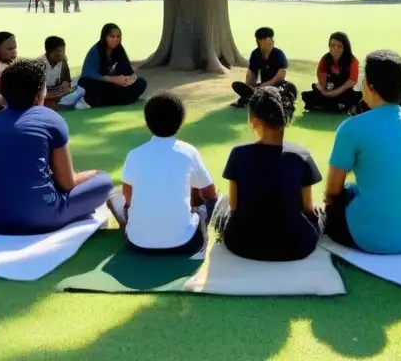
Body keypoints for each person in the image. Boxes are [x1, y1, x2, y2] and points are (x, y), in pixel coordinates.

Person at [0, 58, 114, 235]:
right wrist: (94, 174)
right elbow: (67, 182)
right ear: (39, 93)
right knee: (104, 181)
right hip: (40, 217)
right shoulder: (51, 118)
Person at [324, 50, 401, 254]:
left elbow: (332, 191)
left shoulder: (351, 128)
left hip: (369, 238)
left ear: (371, 86)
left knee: (336, 204)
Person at [211, 86, 322, 261]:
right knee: (319, 213)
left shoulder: (238, 154)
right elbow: (308, 208)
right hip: (296, 246)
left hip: (242, 244)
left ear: (254, 120)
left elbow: (234, 206)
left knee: (223, 203)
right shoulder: (301, 155)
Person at [108, 93, 218, 255]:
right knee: (212, 201)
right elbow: (210, 193)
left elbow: (128, 198)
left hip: (137, 245)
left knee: (115, 200)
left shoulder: (135, 154)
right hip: (184, 244)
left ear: (147, 122)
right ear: (181, 122)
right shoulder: (188, 152)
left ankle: (129, 226)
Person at [78, 23, 148, 107]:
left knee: (141, 82)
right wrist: (113, 79)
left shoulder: (119, 49)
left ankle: (117, 100)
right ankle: (123, 99)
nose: (116, 39)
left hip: (115, 86)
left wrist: (127, 80)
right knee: (86, 85)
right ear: (105, 37)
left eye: (118, 37)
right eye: (112, 36)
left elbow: (127, 70)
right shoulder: (96, 51)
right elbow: (88, 73)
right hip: (99, 85)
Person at [301, 31, 361, 114]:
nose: (335, 49)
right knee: (309, 96)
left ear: (345, 48)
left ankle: (335, 106)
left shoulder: (352, 61)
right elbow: (322, 81)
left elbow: (352, 81)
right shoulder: (325, 59)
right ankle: (334, 106)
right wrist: (324, 91)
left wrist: (334, 93)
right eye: (332, 46)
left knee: (353, 98)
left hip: (344, 90)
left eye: (339, 46)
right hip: (328, 89)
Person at [232, 27, 290, 107]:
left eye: (265, 39)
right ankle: (250, 96)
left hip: (277, 85)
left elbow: (282, 72)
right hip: (262, 85)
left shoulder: (278, 54)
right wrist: (249, 88)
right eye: (258, 40)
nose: (258, 42)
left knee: (281, 91)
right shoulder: (255, 54)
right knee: (242, 87)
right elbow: (252, 72)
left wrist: (269, 83)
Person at [40, 36, 88, 110]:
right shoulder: (40, 64)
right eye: (59, 51)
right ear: (50, 52)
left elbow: (67, 80)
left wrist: (66, 83)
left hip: (60, 93)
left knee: (82, 87)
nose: (63, 54)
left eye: (63, 51)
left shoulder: (62, 62)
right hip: (47, 95)